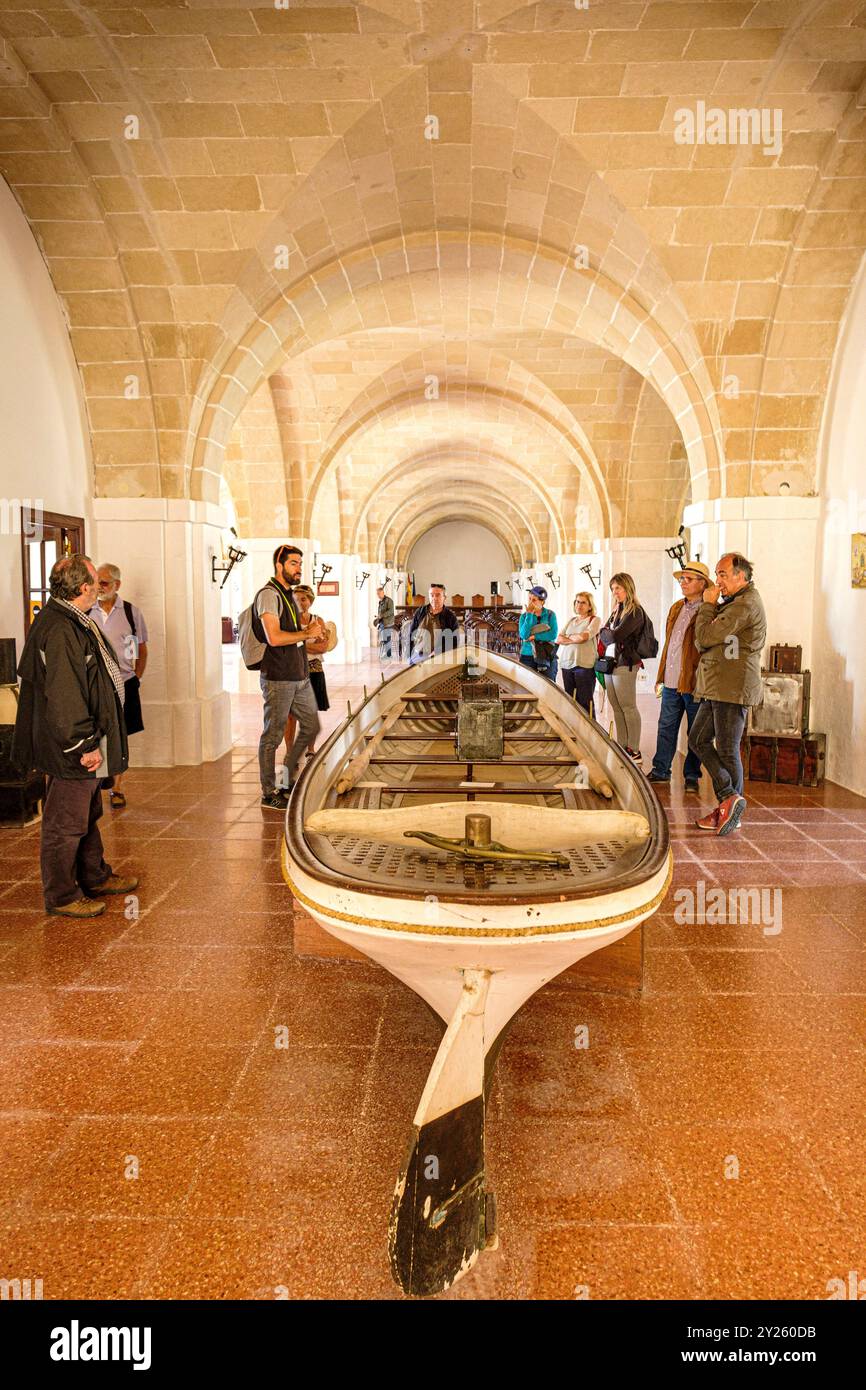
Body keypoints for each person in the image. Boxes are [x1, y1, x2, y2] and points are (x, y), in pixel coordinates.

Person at [12, 555, 139, 919]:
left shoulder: (69, 618)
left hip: (80, 739)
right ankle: (63, 895)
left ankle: (94, 875)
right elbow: (65, 695)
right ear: (84, 588)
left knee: (87, 811)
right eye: (95, 581)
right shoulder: (61, 628)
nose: (99, 587)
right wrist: (83, 745)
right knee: (65, 823)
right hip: (71, 745)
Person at [689, 553, 767, 836]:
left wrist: (707, 606)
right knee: (697, 739)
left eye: (723, 574)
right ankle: (730, 799)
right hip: (720, 684)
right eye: (718, 574)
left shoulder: (745, 604)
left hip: (732, 686)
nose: (718, 580)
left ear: (741, 576)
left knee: (727, 748)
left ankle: (731, 807)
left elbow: (705, 638)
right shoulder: (736, 601)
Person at [255, 545, 325, 809]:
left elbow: (292, 634)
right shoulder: (268, 595)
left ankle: (285, 779)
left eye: (300, 564)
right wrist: (306, 634)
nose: (299, 569)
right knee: (272, 735)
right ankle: (269, 790)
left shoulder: (288, 596)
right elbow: (274, 637)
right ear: (279, 564)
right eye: (294, 563)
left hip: (299, 674)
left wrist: (310, 629)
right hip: (278, 676)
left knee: (311, 726)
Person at [648, 562, 709, 793]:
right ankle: (661, 770)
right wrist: (661, 674)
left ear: (702, 583)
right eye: (681, 579)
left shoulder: (709, 610)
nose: (683, 583)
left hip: (694, 682)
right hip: (672, 680)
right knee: (666, 726)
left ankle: (692, 775)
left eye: (688, 579)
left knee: (695, 732)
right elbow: (670, 646)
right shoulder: (676, 608)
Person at [91, 563, 148, 808]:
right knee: (95, 734)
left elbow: (138, 649)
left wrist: (136, 675)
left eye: (104, 583)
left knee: (120, 736)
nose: (99, 588)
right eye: (96, 582)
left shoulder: (129, 612)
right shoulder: (87, 610)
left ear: (117, 585)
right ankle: (94, 785)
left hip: (123, 682)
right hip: (94, 684)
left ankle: (116, 788)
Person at [597, 573, 647, 762]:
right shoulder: (617, 611)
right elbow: (604, 633)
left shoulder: (635, 612)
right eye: (612, 589)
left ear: (627, 587)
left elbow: (613, 636)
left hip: (625, 663)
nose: (614, 592)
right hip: (611, 662)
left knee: (628, 706)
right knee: (616, 706)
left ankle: (634, 749)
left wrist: (606, 632)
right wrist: (606, 632)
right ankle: (623, 745)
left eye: (617, 588)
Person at [283, 584, 330, 763]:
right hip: (293, 670)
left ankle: (310, 749)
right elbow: (286, 645)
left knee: (310, 712)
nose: (299, 602)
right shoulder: (288, 622)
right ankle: (290, 752)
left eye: (303, 599)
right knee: (290, 714)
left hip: (314, 669)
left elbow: (323, 646)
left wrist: (299, 643)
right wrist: (306, 643)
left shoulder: (317, 621)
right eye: (295, 599)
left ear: (310, 601)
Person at [556, 591, 600, 713]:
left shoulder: (594, 620)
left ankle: (590, 730)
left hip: (584, 665)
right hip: (566, 664)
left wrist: (568, 638)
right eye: (577, 602)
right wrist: (575, 638)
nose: (579, 605)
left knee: (585, 702)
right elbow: (559, 639)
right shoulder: (571, 620)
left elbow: (584, 637)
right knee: (570, 701)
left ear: (590, 606)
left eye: (583, 603)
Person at [405, 583, 460, 664]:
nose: (434, 598)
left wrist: (438, 652)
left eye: (438, 595)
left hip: (437, 657)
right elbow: (411, 633)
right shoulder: (420, 612)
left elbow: (455, 641)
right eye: (432, 595)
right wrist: (409, 655)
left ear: (444, 597)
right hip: (417, 655)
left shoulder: (450, 617)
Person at [518, 585, 559, 678]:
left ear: (542, 602)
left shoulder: (550, 615)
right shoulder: (524, 616)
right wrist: (529, 615)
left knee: (548, 684)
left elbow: (553, 634)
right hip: (528, 654)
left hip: (546, 654)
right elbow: (524, 635)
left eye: (534, 600)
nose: (530, 603)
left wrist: (534, 637)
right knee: (527, 685)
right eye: (529, 599)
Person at [373, 585, 395, 662]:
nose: (378, 595)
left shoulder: (389, 601)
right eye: (377, 594)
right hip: (382, 623)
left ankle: (389, 656)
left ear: (383, 592)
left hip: (388, 623)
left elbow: (391, 611)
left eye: (379, 593)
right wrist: (378, 618)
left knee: (387, 639)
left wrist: (381, 615)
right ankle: (387, 654)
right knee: (384, 639)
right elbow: (380, 612)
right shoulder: (380, 602)